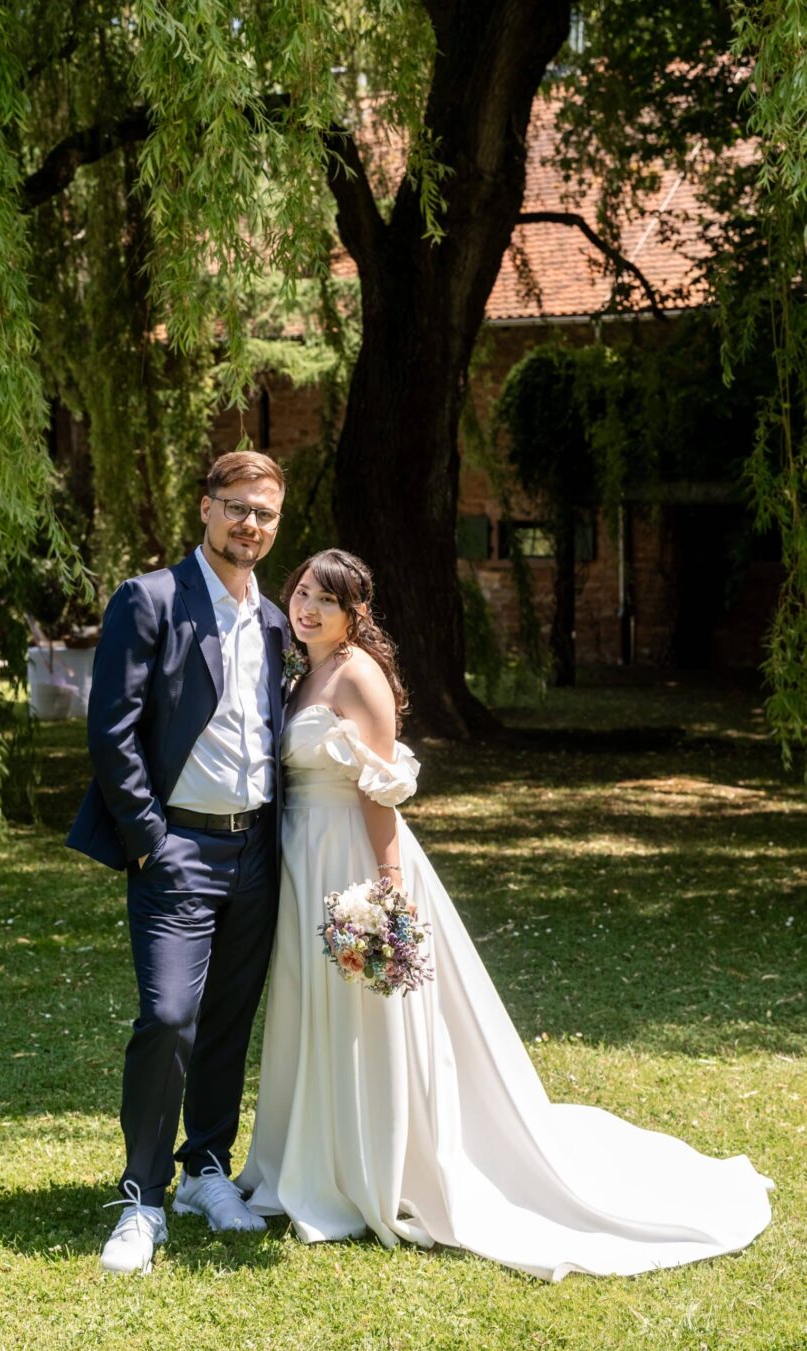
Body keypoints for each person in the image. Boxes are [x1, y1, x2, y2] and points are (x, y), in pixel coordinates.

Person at [239, 547, 773, 1280]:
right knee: (314, 1009)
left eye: (324, 601)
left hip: (350, 861)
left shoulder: (358, 673)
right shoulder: (305, 675)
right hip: (304, 859)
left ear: (352, 612)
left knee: (364, 1014)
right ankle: (309, 1153)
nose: (306, 608)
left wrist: (387, 893)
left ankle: (373, 1166)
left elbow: (380, 792)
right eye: (301, 592)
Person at [67, 450, 289, 1274]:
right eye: (236, 507)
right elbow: (110, 732)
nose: (250, 525)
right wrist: (152, 840)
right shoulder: (152, 598)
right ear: (205, 507)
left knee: (230, 1018)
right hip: (178, 846)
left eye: (264, 513)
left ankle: (205, 1167)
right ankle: (142, 1195)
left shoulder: (272, 620)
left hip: (256, 846)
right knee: (168, 1016)